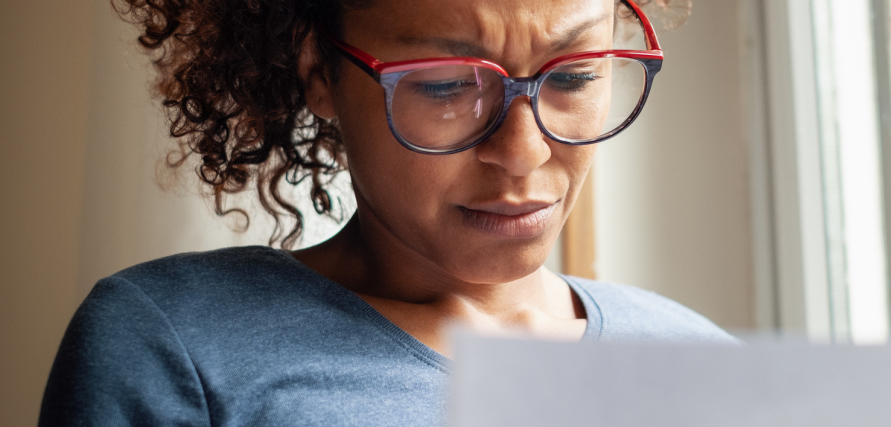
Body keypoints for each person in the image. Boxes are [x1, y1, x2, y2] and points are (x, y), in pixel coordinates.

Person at [39, 0, 731, 425]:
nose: (522, 152)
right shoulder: (177, 346)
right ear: (318, 72)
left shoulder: (700, 364)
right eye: (447, 86)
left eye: (576, 75)